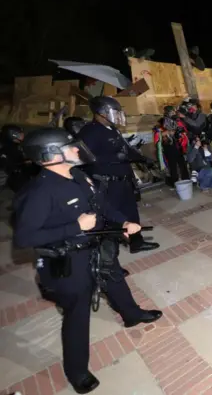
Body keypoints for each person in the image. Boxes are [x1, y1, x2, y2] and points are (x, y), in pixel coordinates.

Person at [13, 128, 162, 393]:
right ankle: (77, 371)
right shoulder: (38, 192)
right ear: (50, 155)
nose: (75, 150)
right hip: (68, 260)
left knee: (115, 280)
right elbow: (24, 239)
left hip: (96, 246)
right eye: (69, 147)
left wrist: (124, 221)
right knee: (77, 314)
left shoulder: (77, 175)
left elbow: (101, 204)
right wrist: (74, 226)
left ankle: (131, 314)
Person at [77, 96, 159, 253]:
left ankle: (136, 242)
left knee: (131, 213)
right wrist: (112, 158)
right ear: (101, 113)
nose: (117, 116)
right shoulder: (90, 132)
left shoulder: (112, 129)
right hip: (107, 184)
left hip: (123, 181)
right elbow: (83, 158)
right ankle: (111, 259)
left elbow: (125, 150)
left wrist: (143, 159)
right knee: (111, 220)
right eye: (114, 112)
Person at [153, 106, 189, 187]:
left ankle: (186, 180)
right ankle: (174, 182)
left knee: (182, 163)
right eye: (171, 112)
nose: (173, 113)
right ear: (167, 112)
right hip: (168, 146)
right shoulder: (161, 121)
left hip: (178, 145)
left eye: (174, 111)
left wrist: (181, 133)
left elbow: (184, 131)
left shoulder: (177, 120)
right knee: (172, 165)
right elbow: (157, 134)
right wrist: (168, 132)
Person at [0, 124, 37, 192]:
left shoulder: (15, 146)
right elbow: (8, 167)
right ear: (12, 135)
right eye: (20, 134)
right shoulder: (6, 149)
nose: (22, 136)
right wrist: (24, 163)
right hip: (13, 178)